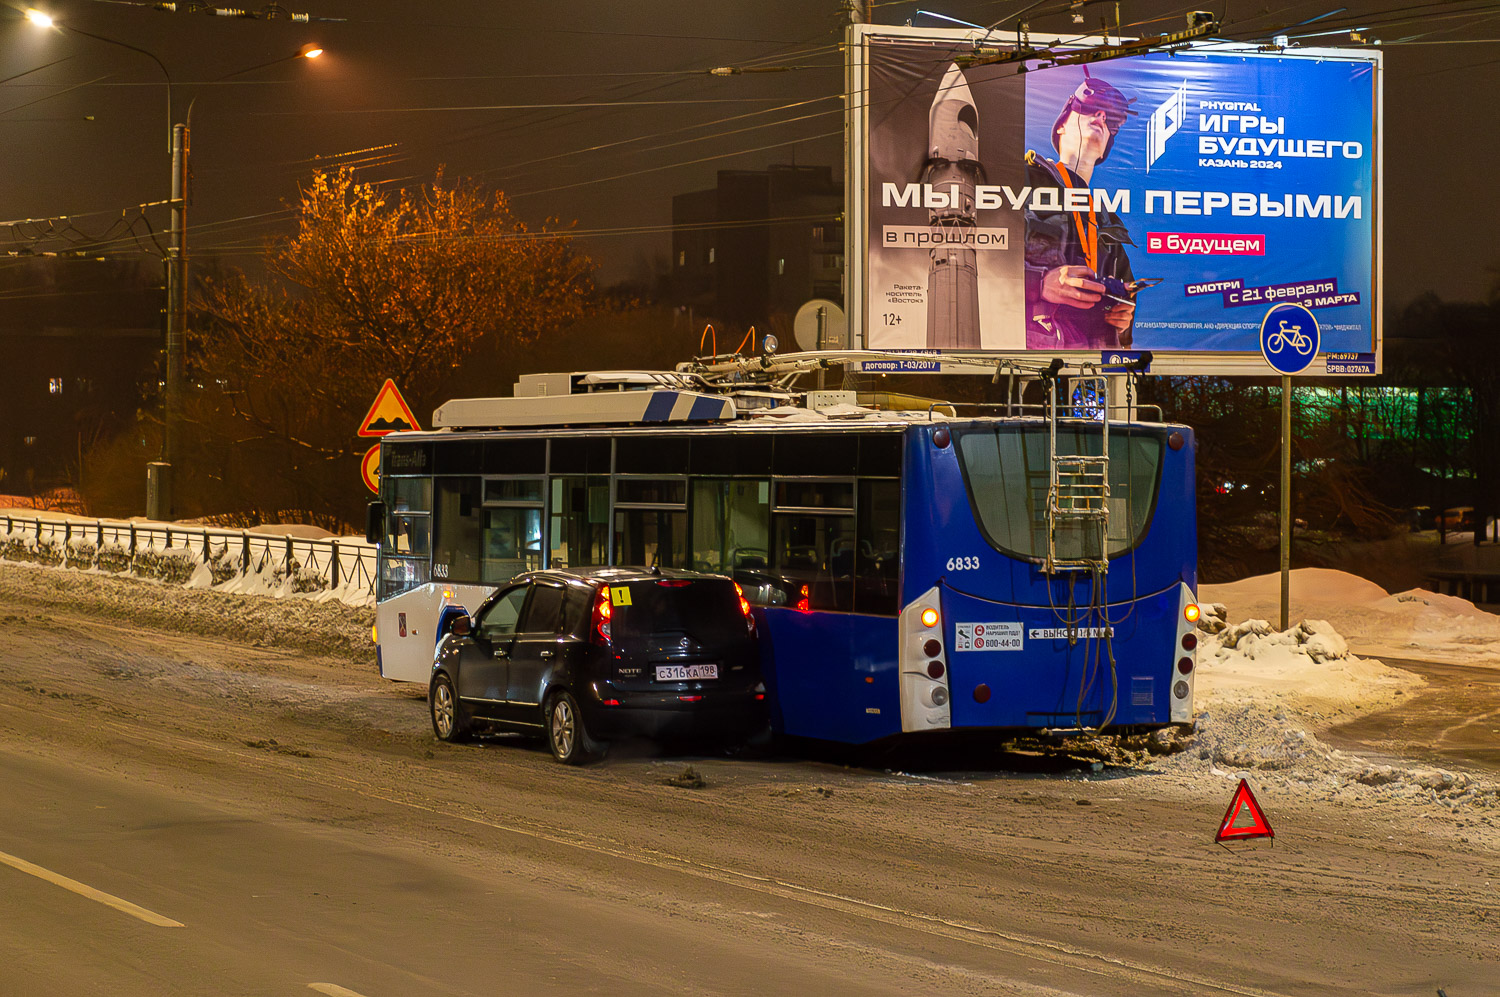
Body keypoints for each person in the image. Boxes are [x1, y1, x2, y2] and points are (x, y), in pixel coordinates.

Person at [1024, 69, 1138, 350]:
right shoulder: (1022, 180)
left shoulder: (1108, 220)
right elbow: (983, 254)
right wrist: (1038, 283)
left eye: (1108, 120)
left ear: (1105, 149)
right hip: (1030, 350)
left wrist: (1123, 322)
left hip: (1093, 357)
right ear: (1060, 127)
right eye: (1090, 109)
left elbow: (1128, 300)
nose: (1100, 117)